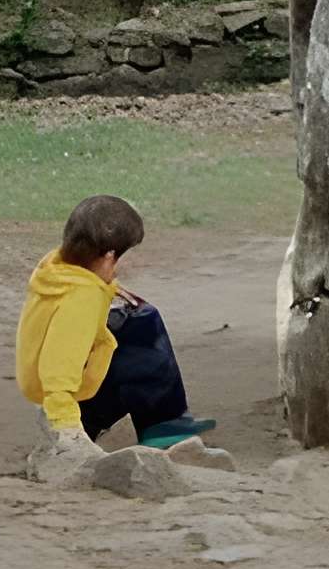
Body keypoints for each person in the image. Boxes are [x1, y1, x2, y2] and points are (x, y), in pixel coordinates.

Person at [16, 193, 214, 474]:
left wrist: (106, 287)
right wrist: (69, 430)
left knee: (144, 318)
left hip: (63, 382)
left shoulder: (59, 267)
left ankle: (165, 425)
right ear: (109, 256)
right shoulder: (81, 300)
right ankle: (162, 428)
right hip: (70, 400)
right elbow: (58, 366)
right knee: (144, 354)